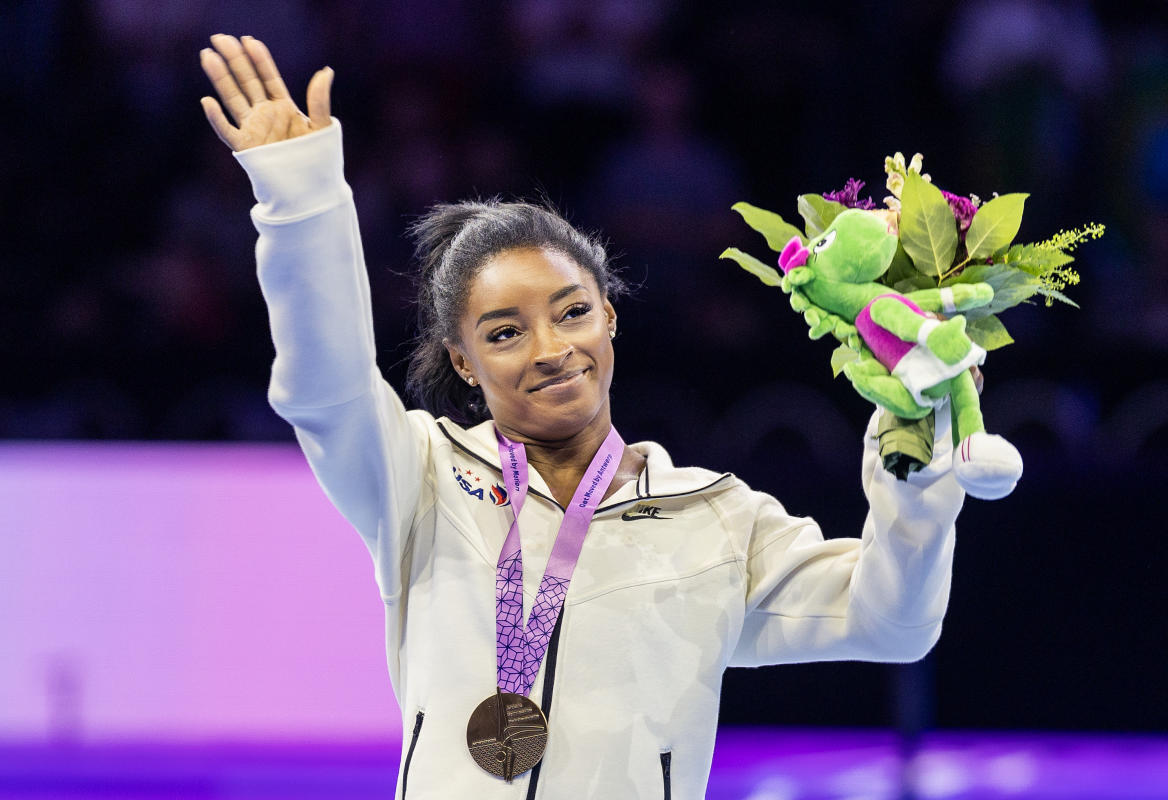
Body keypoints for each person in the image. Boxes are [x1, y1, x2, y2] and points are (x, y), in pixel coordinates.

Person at [200, 34, 965, 800]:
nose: (549, 349)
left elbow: (892, 620)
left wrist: (914, 466)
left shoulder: (716, 515)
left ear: (608, 317)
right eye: (503, 332)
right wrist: (301, 200)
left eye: (571, 313)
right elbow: (325, 389)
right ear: (463, 360)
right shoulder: (420, 476)